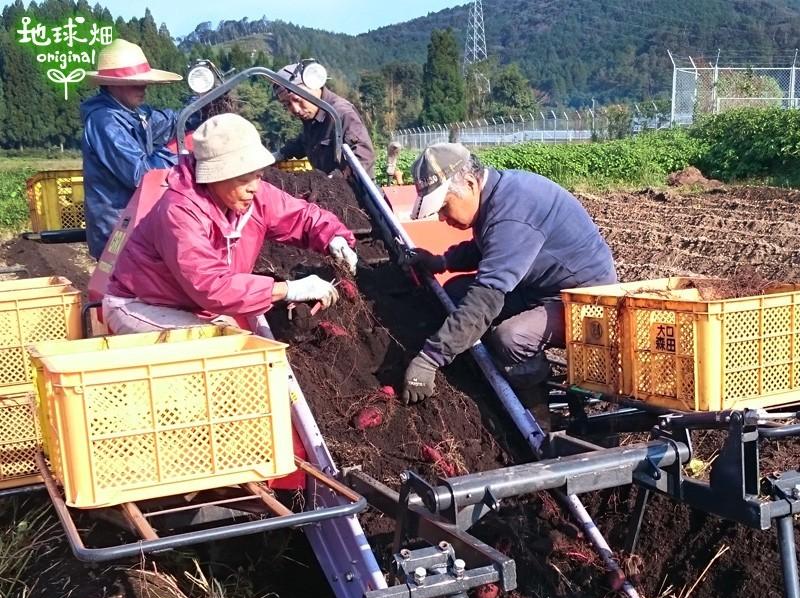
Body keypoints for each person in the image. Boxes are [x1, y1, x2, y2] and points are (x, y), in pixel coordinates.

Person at [401, 143, 617, 428]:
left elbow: (485, 299)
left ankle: (539, 423)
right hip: (539, 286)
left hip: (583, 299)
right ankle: (491, 377)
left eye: (443, 206)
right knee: (456, 292)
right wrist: (441, 262)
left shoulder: (514, 210)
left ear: (470, 183)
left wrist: (430, 358)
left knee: (512, 338)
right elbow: (488, 247)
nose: (442, 217)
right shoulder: (496, 197)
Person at [103, 113, 360, 334]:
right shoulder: (180, 211)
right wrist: (288, 289)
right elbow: (211, 286)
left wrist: (334, 237)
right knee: (222, 350)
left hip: (200, 304)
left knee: (263, 344)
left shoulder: (253, 195)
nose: (254, 187)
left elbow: (301, 217)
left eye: (258, 176)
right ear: (214, 176)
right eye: (244, 179)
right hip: (144, 305)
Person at [81, 39, 184, 260]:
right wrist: (183, 157)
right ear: (112, 85)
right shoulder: (105, 122)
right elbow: (140, 173)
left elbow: (171, 122)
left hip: (136, 220)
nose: (143, 88)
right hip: (117, 228)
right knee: (123, 280)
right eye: (136, 83)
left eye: (144, 82)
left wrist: (199, 109)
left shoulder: (136, 114)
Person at [272, 59, 375, 178]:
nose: (295, 109)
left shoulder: (341, 114)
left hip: (352, 187)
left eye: (297, 100)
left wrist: (334, 179)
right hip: (327, 185)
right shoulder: (312, 117)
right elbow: (302, 143)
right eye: (287, 104)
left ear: (313, 86)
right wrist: (278, 155)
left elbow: (363, 157)